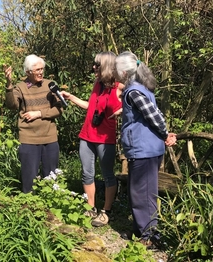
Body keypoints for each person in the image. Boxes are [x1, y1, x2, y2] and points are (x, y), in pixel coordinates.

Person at [114, 51, 177, 247]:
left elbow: (155, 116)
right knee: (137, 191)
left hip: (145, 150)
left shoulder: (134, 92)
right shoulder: (137, 89)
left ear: (124, 72)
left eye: (116, 69)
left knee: (143, 192)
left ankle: (150, 237)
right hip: (142, 149)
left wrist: (166, 134)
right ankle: (141, 231)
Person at [60, 51, 124, 227]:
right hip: (87, 136)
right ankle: (90, 207)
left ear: (107, 66)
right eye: (94, 64)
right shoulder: (97, 84)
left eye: (97, 65)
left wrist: (123, 110)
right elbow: (90, 107)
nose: (94, 67)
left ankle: (106, 211)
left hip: (105, 138)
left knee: (107, 174)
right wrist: (71, 97)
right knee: (87, 173)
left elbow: (138, 99)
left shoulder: (119, 87)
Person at [3, 54, 65, 193]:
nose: (41, 72)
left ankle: (51, 209)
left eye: (42, 69)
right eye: (37, 70)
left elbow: (59, 109)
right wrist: (9, 84)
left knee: (51, 178)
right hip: (29, 139)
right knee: (29, 179)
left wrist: (39, 113)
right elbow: (12, 105)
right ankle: (29, 209)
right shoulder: (20, 87)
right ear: (28, 72)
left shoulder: (50, 85)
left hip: (50, 138)